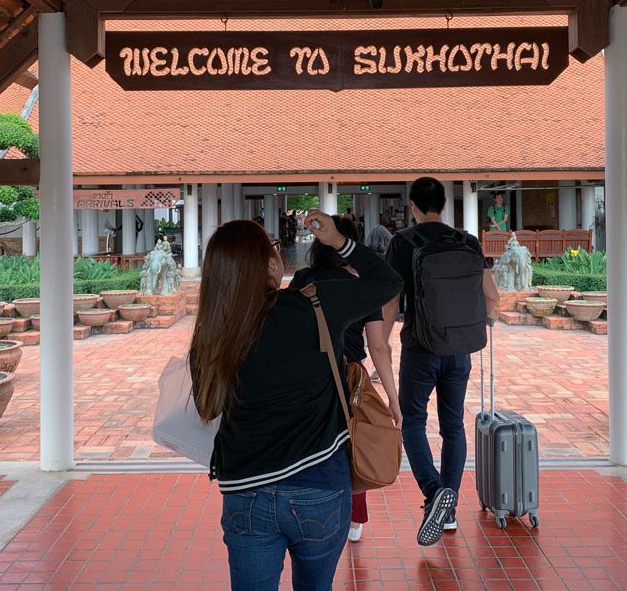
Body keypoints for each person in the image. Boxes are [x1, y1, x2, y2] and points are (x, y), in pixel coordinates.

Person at [190, 212, 403, 591]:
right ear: (269, 262)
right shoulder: (313, 304)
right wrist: (340, 242)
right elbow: (388, 281)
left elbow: (208, 409)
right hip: (319, 484)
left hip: (246, 491)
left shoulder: (212, 332)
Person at [385, 177, 500, 547]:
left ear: (413, 206)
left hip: (420, 349)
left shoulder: (402, 243)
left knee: (412, 421)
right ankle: (447, 512)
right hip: (460, 350)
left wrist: (381, 346)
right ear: (444, 206)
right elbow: (491, 297)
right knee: (453, 426)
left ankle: (434, 493)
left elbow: (390, 302)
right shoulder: (467, 241)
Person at [288, 216, 403, 545]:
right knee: (354, 444)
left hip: (309, 375)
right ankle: (353, 518)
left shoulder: (303, 279)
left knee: (310, 442)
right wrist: (392, 399)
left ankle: (308, 510)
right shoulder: (363, 288)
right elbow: (378, 346)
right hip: (351, 377)